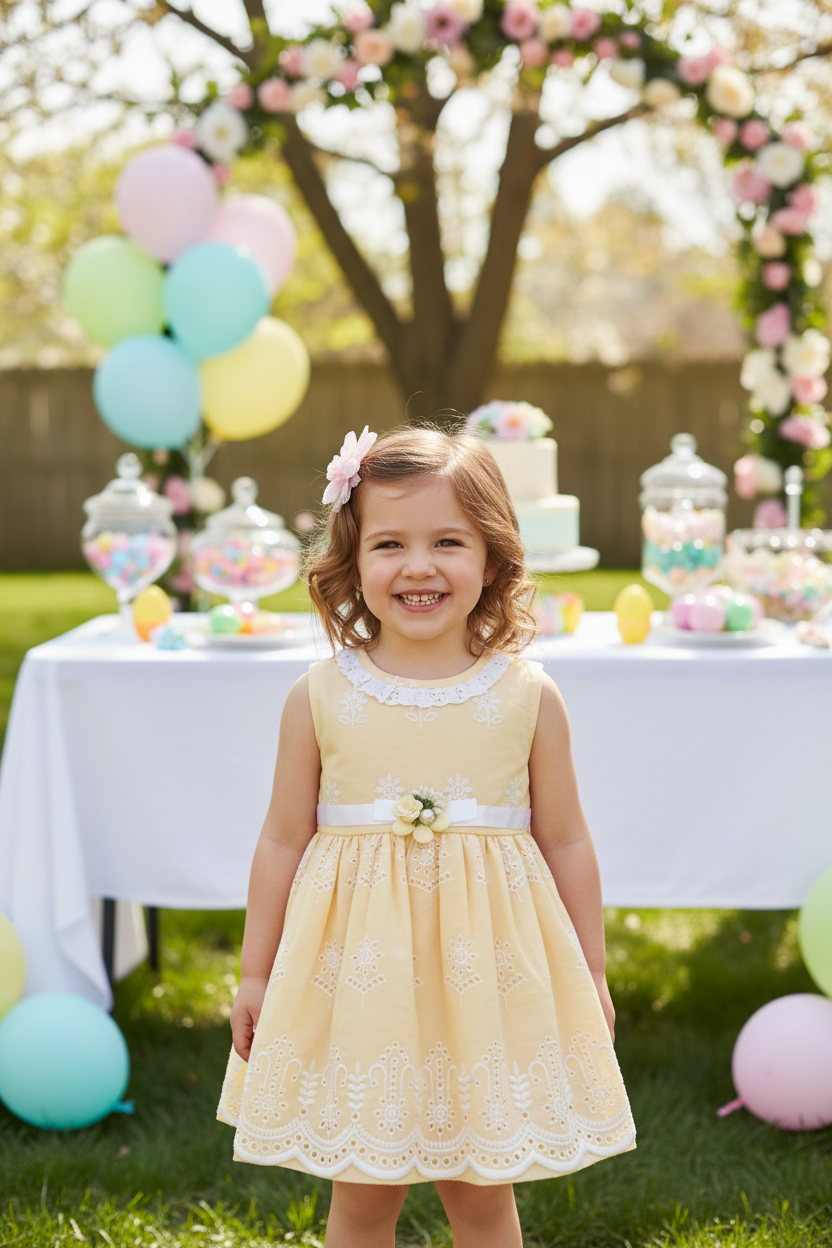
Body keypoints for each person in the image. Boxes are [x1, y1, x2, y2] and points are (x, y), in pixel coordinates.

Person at [217, 425, 635, 1247]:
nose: (418, 566)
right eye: (390, 543)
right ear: (352, 556)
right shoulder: (319, 696)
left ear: (493, 557)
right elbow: (279, 841)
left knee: (479, 1194)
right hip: (360, 987)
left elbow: (569, 841)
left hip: (486, 984)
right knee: (365, 1195)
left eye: (448, 541)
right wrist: (255, 972)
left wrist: (590, 966)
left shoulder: (527, 696)